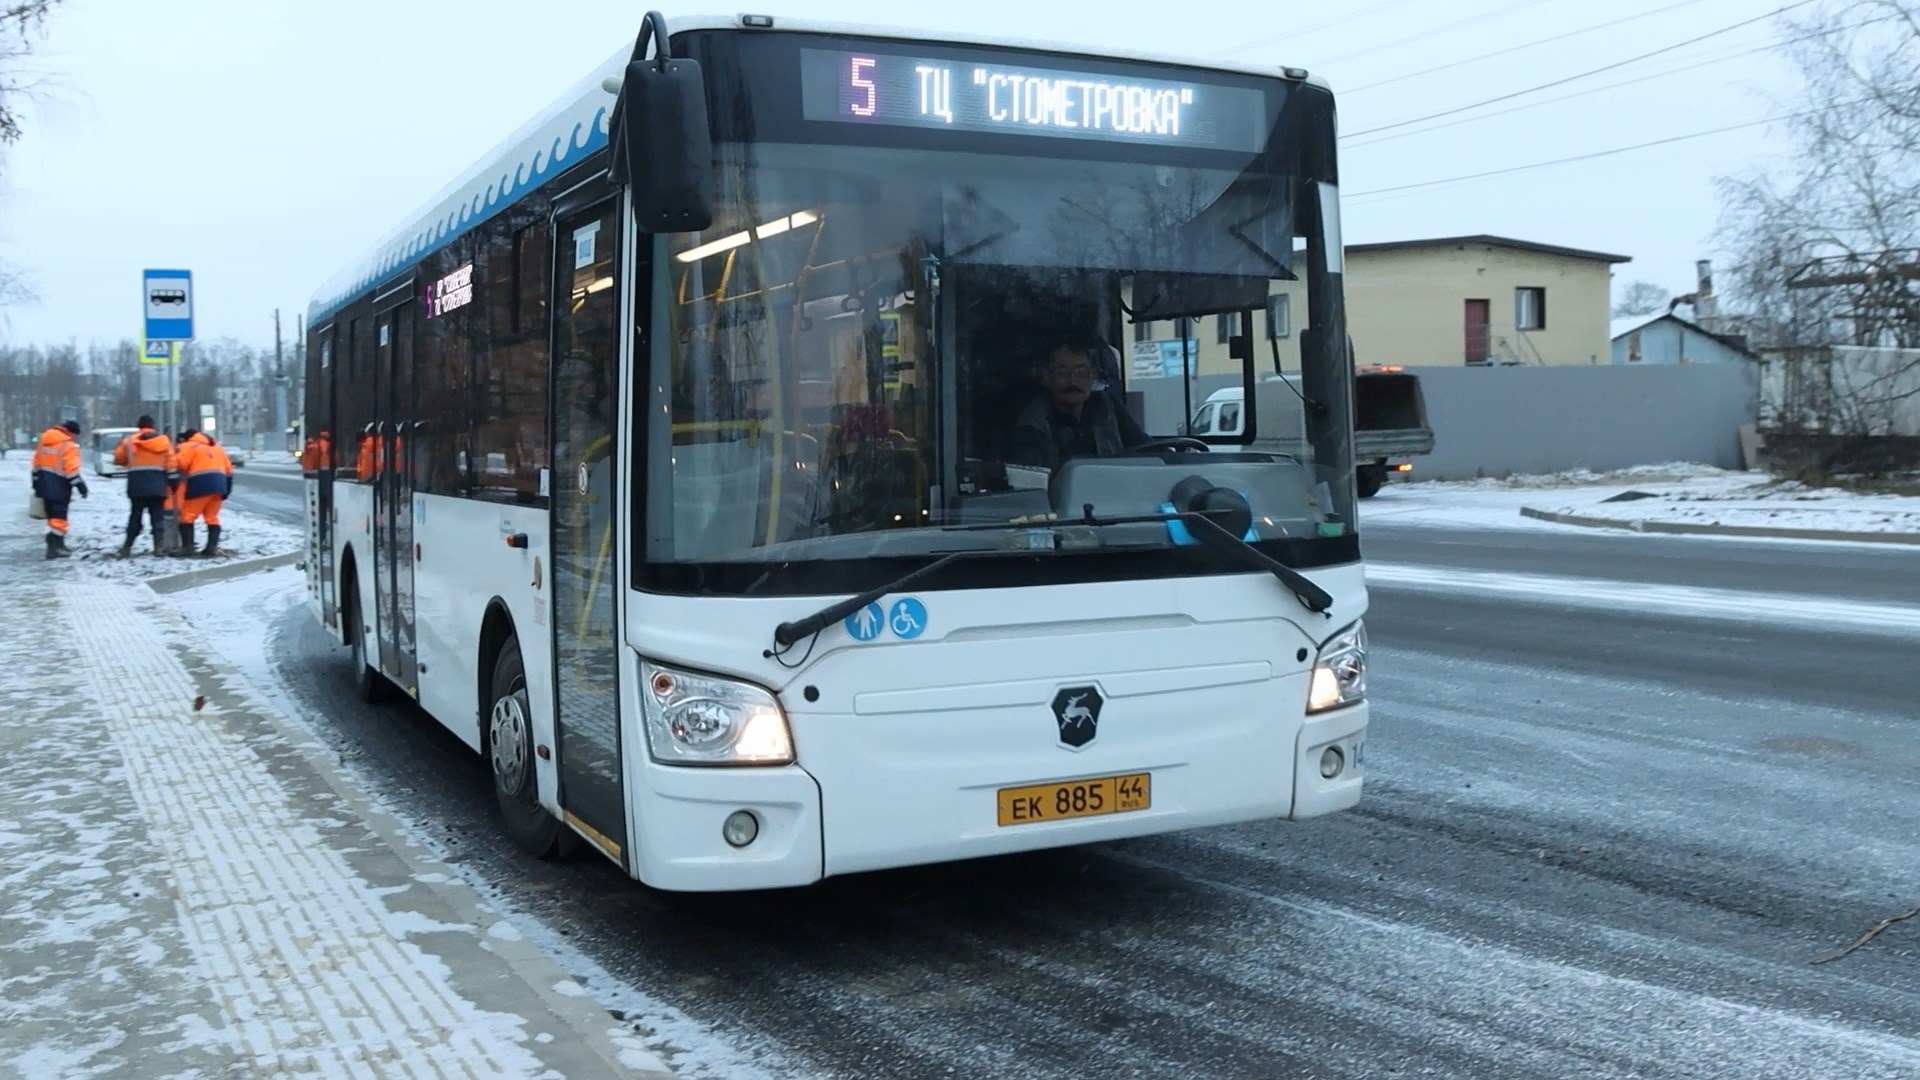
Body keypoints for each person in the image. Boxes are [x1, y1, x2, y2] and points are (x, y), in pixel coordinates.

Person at [1004, 341, 1151, 470]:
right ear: (1046, 378)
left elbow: (1144, 449)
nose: (1073, 382)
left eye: (1081, 372)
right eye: (1062, 372)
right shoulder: (1033, 424)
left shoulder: (1108, 407)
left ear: (1092, 375)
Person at [111, 415, 177, 557]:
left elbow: (118, 459)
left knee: (135, 515)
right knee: (157, 516)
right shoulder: (164, 441)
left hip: (137, 484)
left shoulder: (129, 441)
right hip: (157, 484)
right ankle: (158, 548)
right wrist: (173, 483)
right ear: (153, 426)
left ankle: (127, 547)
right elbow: (171, 463)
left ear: (139, 426)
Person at [30, 420, 88, 559]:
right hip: (60, 487)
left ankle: (58, 545)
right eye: (75, 435)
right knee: (60, 518)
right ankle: (54, 548)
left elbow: (36, 464)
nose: (74, 438)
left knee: (52, 517)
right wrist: (81, 486)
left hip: (44, 485)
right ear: (70, 432)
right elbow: (71, 470)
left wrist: (36, 484)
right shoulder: (68, 446)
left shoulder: (44, 442)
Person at [173, 429, 234, 557]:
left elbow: (181, 464)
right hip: (219, 485)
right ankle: (212, 547)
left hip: (200, 484)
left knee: (187, 516)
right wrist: (227, 489)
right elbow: (229, 469)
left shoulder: (189, 446)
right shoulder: (217, 447)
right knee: (212, 517)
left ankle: (188, 548)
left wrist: (176, 451)